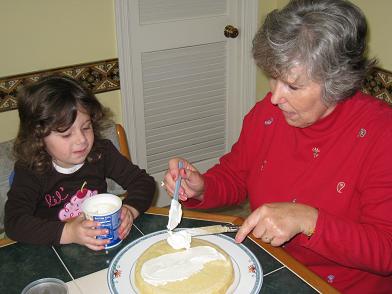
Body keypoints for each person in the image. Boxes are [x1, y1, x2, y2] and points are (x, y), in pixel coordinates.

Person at [162, 0, 392, 292]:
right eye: (274, 78)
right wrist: (202, 187)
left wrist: (309, 220)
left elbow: (387, 249)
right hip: (269, 266)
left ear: (338, 81)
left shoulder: (383, 135)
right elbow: (237, 175)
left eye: (293, 87)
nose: (274, 97)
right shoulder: (268, 116)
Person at [4, 75, 155, 251]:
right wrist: (69, 232)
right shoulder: (29, 170)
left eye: (86, 127)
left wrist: (130, 209)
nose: (81, 140)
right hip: (53, 250)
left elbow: (143, 182)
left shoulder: (101, 152)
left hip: (100, 244)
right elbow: (14, 223)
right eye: (66, 134)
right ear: (38, 137)